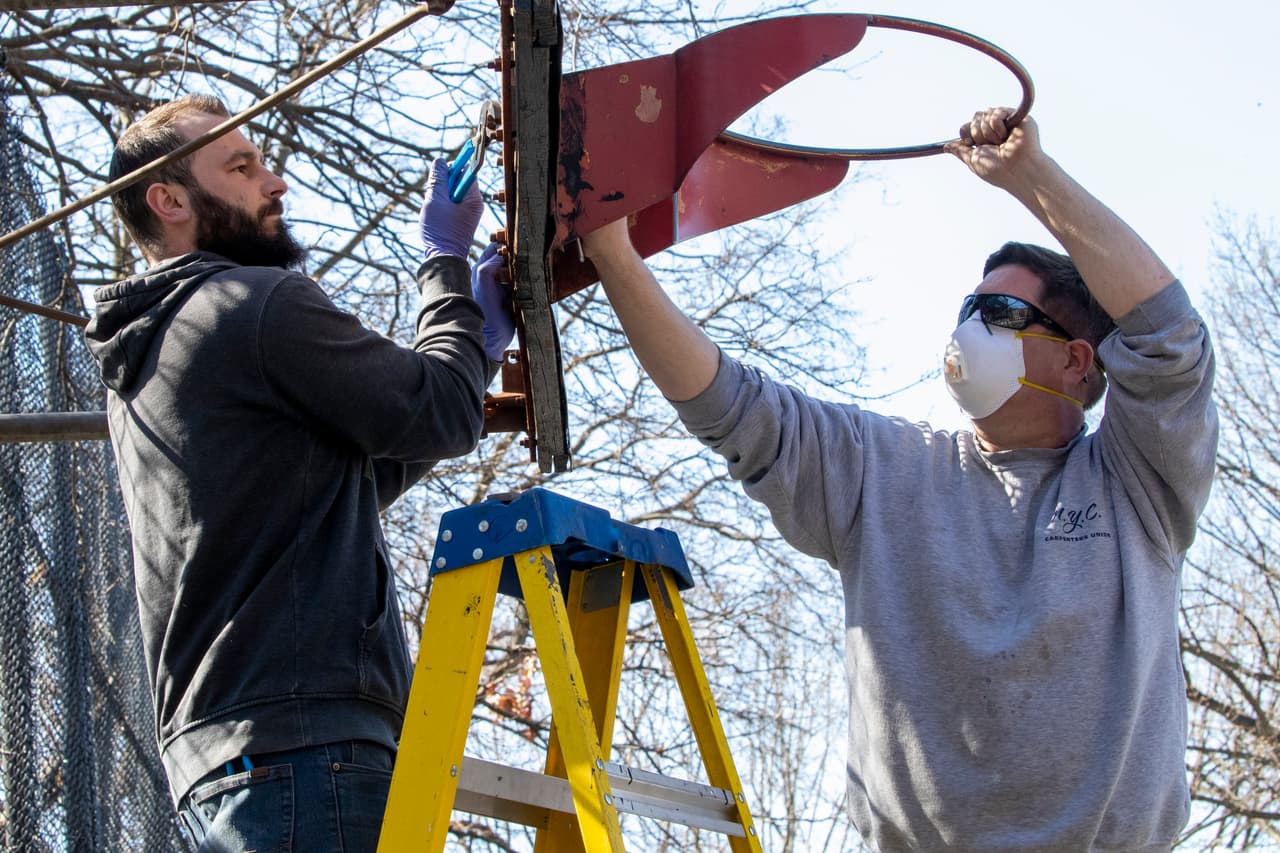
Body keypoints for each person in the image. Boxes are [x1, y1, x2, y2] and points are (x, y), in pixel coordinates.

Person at [582, 107, 1218, 851]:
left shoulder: (1134, 481)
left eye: (1000, 312)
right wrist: (612, 254)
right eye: (966, 310)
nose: (969, 330)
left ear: (1079, 362)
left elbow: (1168, 339)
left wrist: (1030, 178)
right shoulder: (886, 472)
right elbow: (737, 410)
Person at [83, 94, 514, 850]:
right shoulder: (249, 304)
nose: (273, 182)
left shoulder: (151, 359)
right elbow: (438, 411)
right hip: (309, 752)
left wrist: (473, 345)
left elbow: (344, 482)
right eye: (241, 167)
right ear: (170, 198)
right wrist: (445, 265)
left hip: (230, 762)